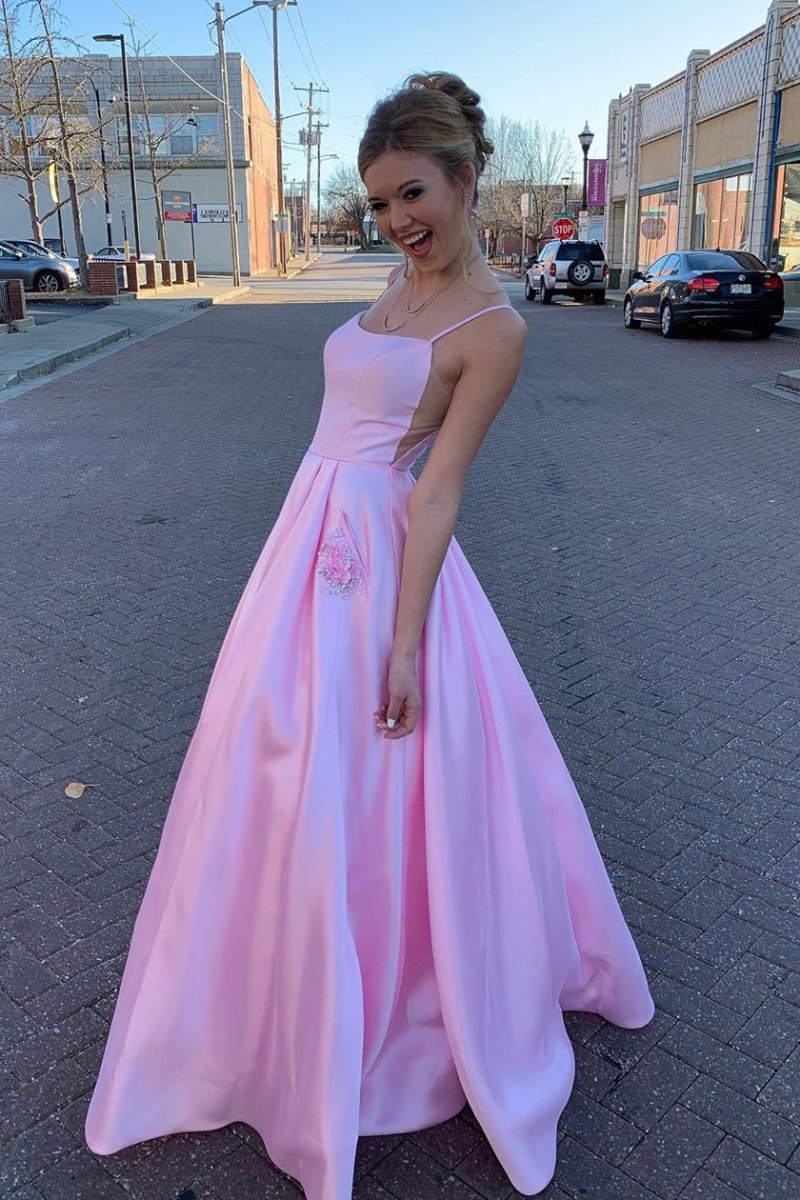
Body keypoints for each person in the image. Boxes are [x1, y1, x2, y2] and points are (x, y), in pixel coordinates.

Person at [84, 71, 655, 1199]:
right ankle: (259, 994)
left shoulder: (492, 328)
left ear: (465, 179)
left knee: (371, 784)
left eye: (411, 196)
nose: (395, 222)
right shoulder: (397, 281)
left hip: (380, 562)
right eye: (380, 203)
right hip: (302, 544)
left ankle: (384, 1007)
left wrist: (403, 643)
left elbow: (436, 492)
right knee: (265, 760)